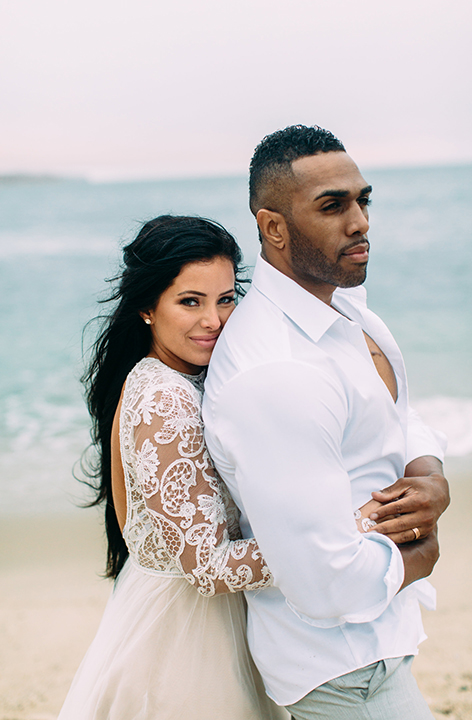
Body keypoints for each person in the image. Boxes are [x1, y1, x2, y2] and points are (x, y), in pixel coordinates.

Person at [202, 126, 450, 720]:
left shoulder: (340, 304)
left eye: (363, 200)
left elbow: (392, 414)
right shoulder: (274, 370)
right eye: (332, 206)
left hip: (377, 648)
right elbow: (324, 582)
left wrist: (429, 473)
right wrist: (420, 557)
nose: (360, 221)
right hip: (341, 669)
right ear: (274, 228)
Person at [58, 215, 288, 719]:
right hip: (186, 641)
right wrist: (333, 538)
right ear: (147, 307)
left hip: (163, 612)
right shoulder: (166, 399)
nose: (215, 320)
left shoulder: (160, 377)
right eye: (191, 301)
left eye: (226, 298)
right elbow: (207, 565)